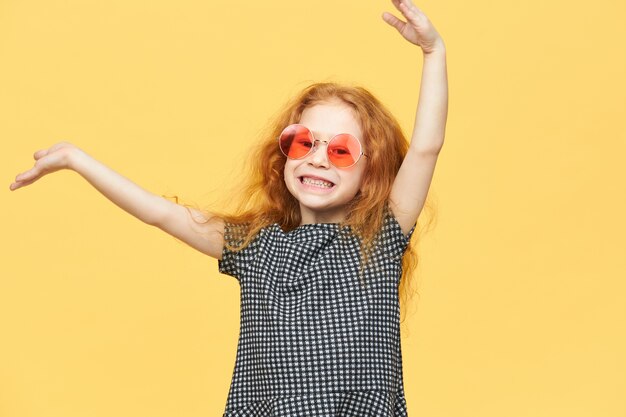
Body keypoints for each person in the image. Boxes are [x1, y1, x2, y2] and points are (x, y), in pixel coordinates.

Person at [9, 0, 447, 415]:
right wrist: (77, 160)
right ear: (284, 155)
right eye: (303, 142)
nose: (317, 158)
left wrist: (433, 51)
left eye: (340, 151)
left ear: (372, 172)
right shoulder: (254, 245)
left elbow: (426, 148)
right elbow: (160, 213)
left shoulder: (380, 238)